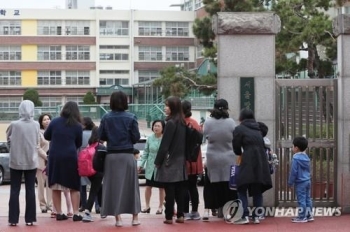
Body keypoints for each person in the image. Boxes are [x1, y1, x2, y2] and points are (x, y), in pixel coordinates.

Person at [98, 91, 141, 227]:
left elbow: (101, 136)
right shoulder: (131, 117)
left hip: (111, 156)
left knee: (114, 187)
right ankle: (135, 218)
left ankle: (118, 219)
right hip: (127, 155)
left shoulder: (106, 117)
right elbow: (136, 137)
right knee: (132, 186)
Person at [232, 108, 272, 225]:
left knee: (241, 188)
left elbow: (236, 147)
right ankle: (257, 216)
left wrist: (239, 154)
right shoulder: (258, 129)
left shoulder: (239, 129)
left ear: (241, 118)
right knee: (257, 190)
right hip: (260, 161)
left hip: (247, 160)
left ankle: (244, 216)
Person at [44, 101, 83, 222]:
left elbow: (46, 136)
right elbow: (79, 143)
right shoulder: (77, 125)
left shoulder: (55, 121)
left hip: (55, 155)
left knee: (55, 184)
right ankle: (76, 213)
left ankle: (59, 213)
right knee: (74, 185)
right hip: (70, 156)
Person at [201, 99, 238, 221]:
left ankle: (208, 210)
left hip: (213, 157)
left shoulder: (208, 122)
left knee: (211, 184)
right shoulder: (231, 122)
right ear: (227, 109)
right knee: (227, 186)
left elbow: (204, 135)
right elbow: (235, 138)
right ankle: (227, 212)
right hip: (228, 156)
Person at [154, 96, 187, 224]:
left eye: (167, 105)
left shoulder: (171, 123)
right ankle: (180, 215)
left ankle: (168, 216)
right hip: (181, 160)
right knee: (180, 189)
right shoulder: (182, 122)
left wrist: (158, 161)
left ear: (172, 108)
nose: (165, 108)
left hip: (170, 161)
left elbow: (164, 145)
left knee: (170, 190)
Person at [6, 100, 40, 226]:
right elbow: (37, 140)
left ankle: (13, 219)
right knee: (30, 189)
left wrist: (14, 150)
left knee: (14, 190)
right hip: (31, 160)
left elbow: (8, 140)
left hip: (15, 161)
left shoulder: (14, 124)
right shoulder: (36, 124)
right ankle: (30, 219)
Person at [181, 100, 203, 220]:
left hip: (184, 159)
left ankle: (185, 211)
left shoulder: (181, 123)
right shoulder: (195, 123)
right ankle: (195, 211)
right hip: (195, 158)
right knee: (193, 186)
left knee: (183, 186)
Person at [139, 120, 166, 215]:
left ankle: (160, 207)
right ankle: (147, 206)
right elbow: (145, 152)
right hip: (151, 166)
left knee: (161, 188)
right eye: (155, 126)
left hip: (161, 166)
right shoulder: (150, 138)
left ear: (163, 128)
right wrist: (141, 165)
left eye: (158, 126)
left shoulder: (165, 139)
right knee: (148, 186)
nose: (156, 128)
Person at [288, 137, 314, 223]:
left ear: (296, 148)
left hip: (300, 182)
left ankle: (302, 217)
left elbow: (293, 172)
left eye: (293, 146)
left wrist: (290, 183)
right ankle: (309, 215)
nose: (292, 148)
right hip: (307, 181)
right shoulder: (306, 158)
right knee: (308, 198)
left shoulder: (295, 159)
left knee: (301, 199)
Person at [82, 126, 104, 222]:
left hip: (89, 172)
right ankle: (87, 211)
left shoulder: (89, 145)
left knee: (99, 188)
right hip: (98, 172)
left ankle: (102, 209)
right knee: (94, 191)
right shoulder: (102, 147)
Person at [79, 117, 96, 212]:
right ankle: (98, 206)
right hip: (94, 159)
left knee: (83, 185)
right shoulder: (94, 133)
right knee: (96, 184)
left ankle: (84, 205)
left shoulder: (81, 134)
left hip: (83, 160)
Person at [37, 113, 53, 214]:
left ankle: (50, 205)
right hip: (41, 161)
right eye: (44, 119)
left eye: (48, 119)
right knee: (41, 185)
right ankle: (42, 205)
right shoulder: (38, 133)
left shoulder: (54, 131)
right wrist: (46, 156)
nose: (47, 121)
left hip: (52, 161)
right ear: (41, 122)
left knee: (50, 184)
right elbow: (37, 147)